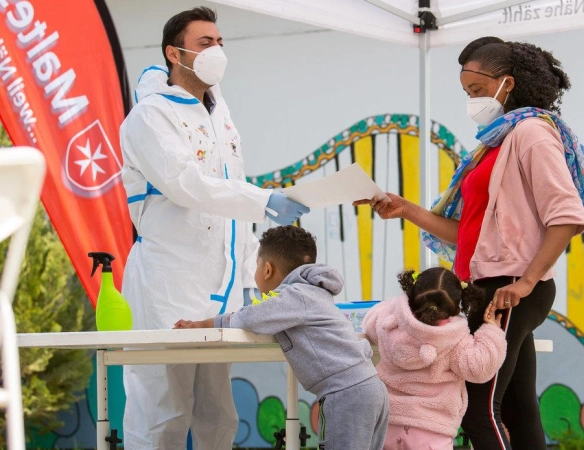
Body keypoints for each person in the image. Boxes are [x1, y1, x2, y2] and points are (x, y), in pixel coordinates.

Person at [356, 36, 584, 449]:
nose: (471, 100)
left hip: (508, 289)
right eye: (466, 92)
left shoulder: (531, 135)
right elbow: (475, 235)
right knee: (516, 405)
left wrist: (524, 284)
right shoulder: (498, 141)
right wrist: (406, 209)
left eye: (476, 90)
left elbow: (567, 217)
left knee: (476, 408)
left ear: (507, 83)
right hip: (490, 285)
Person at [119, 7, 309, 449]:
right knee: (161, 412)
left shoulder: (219, 112)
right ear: (174, 52)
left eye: (220, 43)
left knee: (218, 414)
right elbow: (187, 185)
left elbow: (229, 200)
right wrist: (264, 200)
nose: (217, 51)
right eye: (206, 43)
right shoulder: (150, 116)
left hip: (217, 286)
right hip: (167, 283)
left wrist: (245, 277)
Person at [175, 225, 389, 450]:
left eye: (256, 266)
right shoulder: (314, 293)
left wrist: (204, 323)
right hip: (370, 388)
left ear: (267, 269)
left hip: (345, 394)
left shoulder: (294, 295)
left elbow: (250, 318)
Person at [362, 267, 507, 450]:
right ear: (456, 306)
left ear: (412, 292)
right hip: (432, 429)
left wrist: (395, 306)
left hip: (386, 422)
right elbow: (479, 368)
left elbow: (369, 324)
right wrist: (492, 331)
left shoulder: (389, 320)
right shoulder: (455, 341)